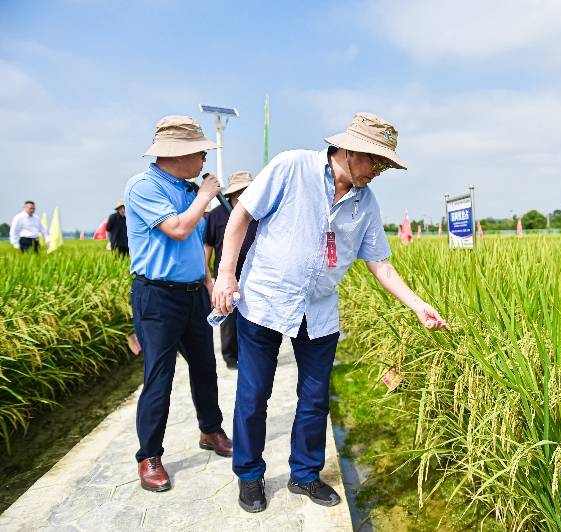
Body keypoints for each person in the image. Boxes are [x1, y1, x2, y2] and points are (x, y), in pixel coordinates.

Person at [212, 112, 448, 513]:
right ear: (351, 150)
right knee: (253, 395)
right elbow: (242, 214)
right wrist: (225, 274)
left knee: (315, 398)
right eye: (376, 161)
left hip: (319, 310)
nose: (378, 172)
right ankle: (249, 475)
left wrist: (417, 305)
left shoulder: (366, 203)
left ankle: (305, 475)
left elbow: (381, 264)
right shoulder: (291, 166)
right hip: (265, 300)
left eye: (384, 165)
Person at [124, 115, 232, 493]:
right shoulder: (143, 187)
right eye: (200, 152)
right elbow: (178, 229)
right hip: (157, 296)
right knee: (159, 376)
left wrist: (209, 280)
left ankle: (211, 430)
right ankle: (149, 456)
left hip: (192, 293)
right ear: (179, 154)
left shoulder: (187, 190)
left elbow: (192, 245)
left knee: (205, 367)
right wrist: (205, 196)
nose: (204, 159)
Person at [204, 171, 258, 369]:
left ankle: (251, 354)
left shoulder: (258, 211)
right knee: (228, 317)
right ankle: (230, 356)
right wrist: (207, 275)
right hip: (227, 275)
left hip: (253, 273)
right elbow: (208, 245)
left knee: (254, 316)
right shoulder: (217, 215)